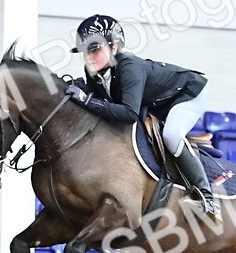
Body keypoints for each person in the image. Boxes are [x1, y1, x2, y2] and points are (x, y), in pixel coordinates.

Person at [63, 14, 219, 220]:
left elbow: (128, 113)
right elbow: (101, 104)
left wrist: (85, 99)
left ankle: (205, 196)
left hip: (186, 96)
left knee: (171, 134)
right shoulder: (93, 71)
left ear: (114, 48)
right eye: (85, 51)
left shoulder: (129, 67)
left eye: (95, 49)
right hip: (158, 103)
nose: (89, 56)